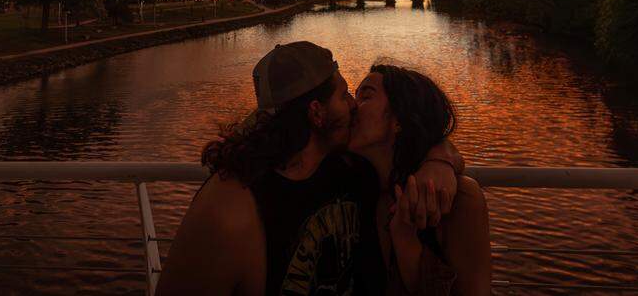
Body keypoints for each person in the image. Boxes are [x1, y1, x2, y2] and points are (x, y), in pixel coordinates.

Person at [157, 42, 463, 296]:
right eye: (344, 96)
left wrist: (440, 161)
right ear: (317, 113)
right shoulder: (230, 209)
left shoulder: (349, 169)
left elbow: (416, 142)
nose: (354, 105)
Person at [348, 63, 491, 295]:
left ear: (399, 120)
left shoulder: (458, 200)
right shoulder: (354, 187)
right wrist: (442, 158)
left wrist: (405, 240)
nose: (352, 107)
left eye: (365, 96)